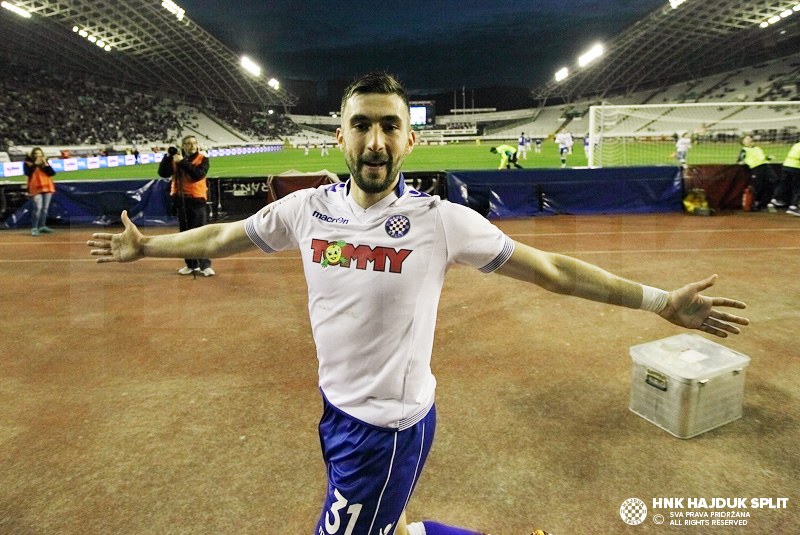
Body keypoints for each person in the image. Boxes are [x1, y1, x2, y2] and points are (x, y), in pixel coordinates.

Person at [88, 72, 749, 535]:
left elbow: (552, 269)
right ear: (339, 138)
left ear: (410, 140)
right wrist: (149, 248)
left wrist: (661, 300)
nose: (374, 141)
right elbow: (226, 235)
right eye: (361, 126)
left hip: (387, 430)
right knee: (391, 526)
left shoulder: (440, 220)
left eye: (389, 127)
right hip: (337, 413)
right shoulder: (305, 211)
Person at [157, 135, 214, 276]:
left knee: (200, 235)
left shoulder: (202, 158)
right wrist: (168, 157)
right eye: (188, 143)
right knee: (185, 235)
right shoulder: (176, 159)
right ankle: (190, 264)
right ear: (183, 145)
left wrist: (182, 162)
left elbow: (197, 175)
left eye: (194, 143)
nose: (192, 145)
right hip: (181, 201)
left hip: (197, 200)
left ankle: (204, 265)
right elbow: (163, 173)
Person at [737, 135, 787, 212]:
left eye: (749, 137)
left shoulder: (757, 148)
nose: (749, 139)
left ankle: (775, 199)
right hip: (756, 168)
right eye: (747, 138)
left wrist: (768, 157)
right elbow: (740, 160)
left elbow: (762, 157)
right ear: (743, 142)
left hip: (765, 166)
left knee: (776, 180)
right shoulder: (744, 150)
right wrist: (743, 162)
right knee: (758, 187)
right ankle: (757, 204)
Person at [24, 147, 56, 236]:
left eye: (39, 153)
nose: (38, 155)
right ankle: (34, 227)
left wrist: (45, 164)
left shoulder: (45, 163)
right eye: (36, 154)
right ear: (33, 155)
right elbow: (28, 173)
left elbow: (52, 173)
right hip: (35, 187)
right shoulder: (28, 163)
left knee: (45, 208)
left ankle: (42, 226)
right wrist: (35, 164)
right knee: (37, 208)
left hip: (47, 186)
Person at [781, 139, 800, 216]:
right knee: (797, 188)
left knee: (786, 185)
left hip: (787, 166)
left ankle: (776, 199)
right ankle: (793, 206)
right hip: (795, 168)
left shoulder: (796, 145)